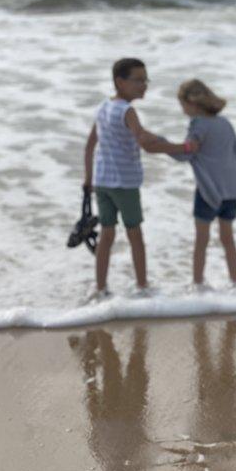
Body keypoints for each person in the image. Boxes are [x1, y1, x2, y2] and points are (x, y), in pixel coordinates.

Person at [83, 58, 192, 300]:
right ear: (120, 82)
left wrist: (88, 180)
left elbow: (91, 145)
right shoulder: (128, 111)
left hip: (103, 182)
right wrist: (181, 148)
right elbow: (145, 144)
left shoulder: (103, 107)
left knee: (106, 235)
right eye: (138, 80)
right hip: (125, 184)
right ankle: (142, 286)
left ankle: (99, 288)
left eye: (146, 80)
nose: (144, 85)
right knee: (135, 234)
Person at [173, 79, 236, 288]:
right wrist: (226, 176)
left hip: (208, 193)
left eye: (182, 104)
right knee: (227, 239)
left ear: (192, 103)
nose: (183, 110)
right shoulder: (225, 123)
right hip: (231, 191)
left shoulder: (198, 124)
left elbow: (187, 154)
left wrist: (162, 147)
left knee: (201, 241)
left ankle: (198, 284)